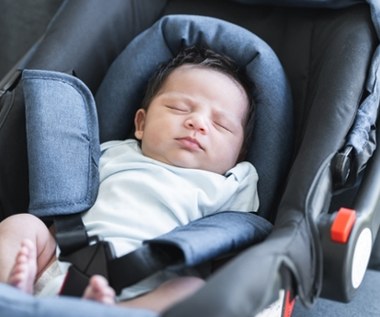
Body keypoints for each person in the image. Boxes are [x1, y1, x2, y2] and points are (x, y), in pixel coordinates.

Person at [0, 45, 258, 313]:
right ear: (141, 124)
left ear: (239, 155)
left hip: (146, 288)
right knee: (23, 225)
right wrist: (52, 240)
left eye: (221, 125)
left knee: (193, 287)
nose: (198, 123)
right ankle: (13, 288)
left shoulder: (232, 183)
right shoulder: (111, 152)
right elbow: (68, 202)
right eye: (179, 108)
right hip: (59, 265)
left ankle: (113, 310)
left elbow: (238, 245)